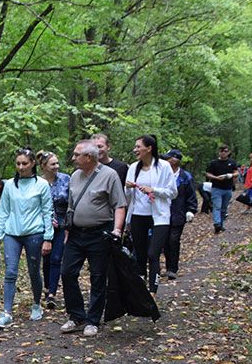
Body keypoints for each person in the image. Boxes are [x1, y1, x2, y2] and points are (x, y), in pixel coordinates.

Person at [60, 140, 126, 337]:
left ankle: (93, 320)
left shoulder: (109, 175)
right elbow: (71, 207)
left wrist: (117, 230)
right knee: (68, 273)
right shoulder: (74, 176)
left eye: (76, 155)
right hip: (76, 234)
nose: (73, 158)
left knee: (98, 277)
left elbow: (119, 205)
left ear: (88, 157)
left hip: (100, 233)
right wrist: (66, 232)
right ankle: (76, 315)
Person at [0, 148, 54, 328]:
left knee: (34, 271)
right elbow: (3, 210)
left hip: (34, 233)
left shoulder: (41, 184)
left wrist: (48, 237)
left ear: (33, 163)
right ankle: (7, 313)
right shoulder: (9, 185)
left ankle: (36, 304)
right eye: (18, 163)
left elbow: (47, 211)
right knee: (10, 272)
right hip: (12, 233)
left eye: (24, 163)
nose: (21, 167)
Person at [124, 135, 177, 294]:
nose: (135, 150)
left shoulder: (164, 166)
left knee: (153, 253)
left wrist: (154, 190)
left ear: (149, 148)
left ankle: (153, 291)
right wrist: (128, 187)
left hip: (159, 216)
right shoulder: (133, 167)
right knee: (139, 255)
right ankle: (141, 292)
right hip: (138, 215)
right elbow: (127, 196)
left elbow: (173, 193)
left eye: (138, 147)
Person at [37, 150, 70, 308]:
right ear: (43, 166)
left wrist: (69, 227)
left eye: (57, 163)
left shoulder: (65, 179)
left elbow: (72, 202)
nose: (56, 166)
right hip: (43, 226)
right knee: (46, 258)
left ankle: (52, 293)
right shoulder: (37, 182)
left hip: (62, 225)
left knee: (57, 258)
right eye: (52, 164)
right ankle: (47, 287)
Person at [161, 149, 197, 280]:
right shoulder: (162, 174)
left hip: (178, 213)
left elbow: (191, 195)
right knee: (164, 242)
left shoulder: (185, 177)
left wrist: (191, 210)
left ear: (175, 160)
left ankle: (172, 269)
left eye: (169, 158)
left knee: (174, 240)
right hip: (163, 213)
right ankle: (167, 266)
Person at [205, 146, 239, 233]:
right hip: (216, 188)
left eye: (225, 151)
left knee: (224, 208)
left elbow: (236, 172)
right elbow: (208, 174)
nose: (223, 152)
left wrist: (230, 175)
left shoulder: (232, 162)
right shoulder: (214, 163)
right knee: (217, 206)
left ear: (228, 152)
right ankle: (217, 224)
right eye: (221, 151)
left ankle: (221, 224)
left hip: (228, 188)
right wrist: (216, 178)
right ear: (219, 152)